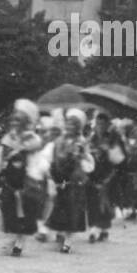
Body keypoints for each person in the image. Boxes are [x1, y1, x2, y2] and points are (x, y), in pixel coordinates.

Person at [0, 99, 46, 256]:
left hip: (26, 181)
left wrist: (35, 176)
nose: (15, 122)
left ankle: (19, 242)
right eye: (14, 119)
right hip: (10, 179)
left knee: (24, 213)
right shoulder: (8, 138)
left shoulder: (32, 139)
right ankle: (15, 238)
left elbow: (37, 159)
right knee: (10, 212)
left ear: (26, 122)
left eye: (19, 120)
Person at [44, 108, 93, 253]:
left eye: (73, 125)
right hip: (60, 177)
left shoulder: (81, 142)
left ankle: (68, 241)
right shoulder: (59, 141)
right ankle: (60, 231)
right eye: (68, 124)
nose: (70, 127)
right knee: (60, 208)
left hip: (74, 179)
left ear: (78, 127)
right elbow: (51, 157)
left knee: (73, 210)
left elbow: (88, 163)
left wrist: (82, 155)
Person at [86, 111, 124, 243]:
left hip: (108, 173)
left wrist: (108, 149)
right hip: (93, 172)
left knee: (105, 201)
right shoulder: (92, 137)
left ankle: (103, 229)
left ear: (107, 124)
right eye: (98, 123)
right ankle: (93, 228)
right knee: (93, 201)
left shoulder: (114, 137)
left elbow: (119, 158)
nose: (100, 126)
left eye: (103, 123)